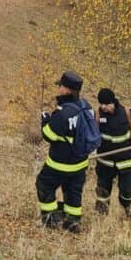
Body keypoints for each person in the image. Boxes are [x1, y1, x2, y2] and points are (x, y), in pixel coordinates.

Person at [36, 71, 92, 233]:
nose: (58, 88)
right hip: (80, 163)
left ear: (66, 90)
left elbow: (49, 135)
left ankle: (50, 219)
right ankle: (73, 222)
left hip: (60, 164)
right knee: (73, 192)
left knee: (44, 185)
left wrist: (46, 120)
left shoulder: (63, 113)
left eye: (60, 86)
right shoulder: (86, 108)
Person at [94, 88, 131, 218]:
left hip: (128, 161)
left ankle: (128, 206)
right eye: (101, 104)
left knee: (127, 190)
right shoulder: (97, 116)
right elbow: (90, 135)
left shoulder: (128, 113)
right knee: (102, 190)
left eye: (106, 104)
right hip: (105, 161)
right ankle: (101, 214)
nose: (103, 107)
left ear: (113, 102)